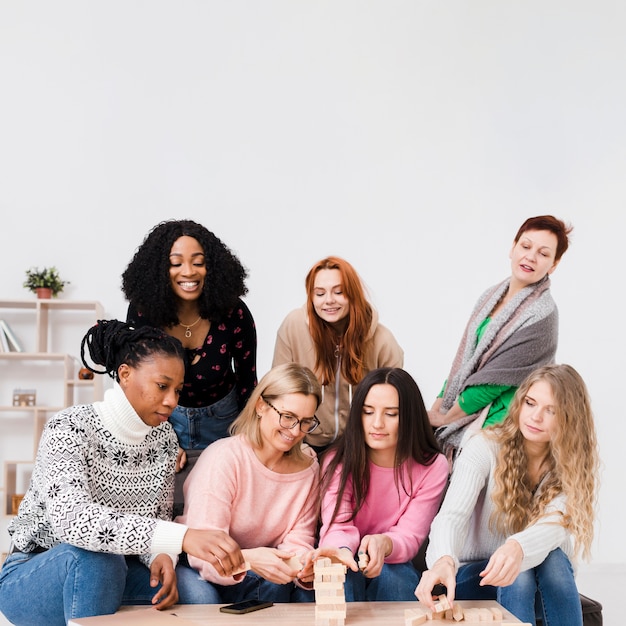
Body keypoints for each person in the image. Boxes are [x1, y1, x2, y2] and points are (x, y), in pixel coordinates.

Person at [0, 320, 245, 626]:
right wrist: (182, 538)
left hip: (119, 569)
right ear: (126, 374)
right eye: (162, 385)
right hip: (34, 573)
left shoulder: (165, 440)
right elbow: (73, 521)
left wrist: (161, 556)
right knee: (97, 557)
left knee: (198, 595)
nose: (172, 400)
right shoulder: (69, 427)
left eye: (178, 390)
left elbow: (156, 519)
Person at [415, 364, 599, 626]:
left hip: (537, 580)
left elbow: (554, 527)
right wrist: (444, 560)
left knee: (552, 559)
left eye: (551, 410)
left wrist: (517, 547)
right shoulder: (484, 446)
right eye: (530, 403)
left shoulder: (570, 466)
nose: (535, 417)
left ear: (570, 418)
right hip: (477, 577)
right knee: (519, 573)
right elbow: (451, 516)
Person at [121, 219, 258, 514]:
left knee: (219, 509)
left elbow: (249, 382)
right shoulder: (143, 312)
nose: (188, 272)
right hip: (161, 420)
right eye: (176, 263)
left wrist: (246, 442)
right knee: (163, 509)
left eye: (199, 262)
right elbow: (133, 386)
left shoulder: (234, 313)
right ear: (159, 270)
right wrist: (162, 438)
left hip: (225, 423)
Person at [429, 215, 573, 465]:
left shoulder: (542, 315)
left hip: (504, 417)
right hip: (466, 404)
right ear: (513, 247)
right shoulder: (490, 296)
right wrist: (438, 405)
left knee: (466, 466)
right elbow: (464, 361)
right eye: (525, 246)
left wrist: (446, 418)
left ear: (553, 264)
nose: (530, 257)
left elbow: (493, 382)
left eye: (543, 253)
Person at [175, 362, 322, 604]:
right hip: (199, 565)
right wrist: (250, 560)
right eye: (288, 417)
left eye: (306, 422)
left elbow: (299, 540)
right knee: (208, 599)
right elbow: (204, 552)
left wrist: (302, 567)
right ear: (261, 406)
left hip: (259, 571)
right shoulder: (224, 458)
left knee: (291, 588)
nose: (295, 431)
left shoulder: (308, 468)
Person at [303, 367, 449, 601]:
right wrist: (343, 552)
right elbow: (336, 527)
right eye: (368, 412)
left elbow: (410, 535)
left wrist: (384, 544)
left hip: (393, 562)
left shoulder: (433, 466)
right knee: (340, 573)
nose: (377, 424)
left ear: (410, 416)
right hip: (345, 554)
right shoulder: (338, 460)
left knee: (394, 577)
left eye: (391, 414)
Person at [272, 256, 403, 453]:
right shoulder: (294, 326)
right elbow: (278, 394)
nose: (329, 300)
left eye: (339, 292)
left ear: (353, 294)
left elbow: (394, 403)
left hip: (357, 446)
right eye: (320, 293)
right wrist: (296, 447)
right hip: (302, 442)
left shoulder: (382, 340)